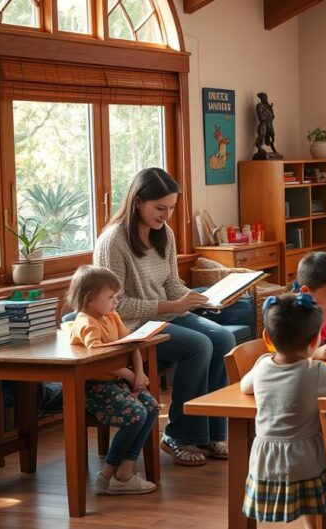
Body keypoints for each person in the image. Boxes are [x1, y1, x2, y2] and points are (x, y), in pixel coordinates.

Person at [94, 167, 234, 466]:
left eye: (171, 208)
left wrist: (199, 299)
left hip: (164, 316)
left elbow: (170, 283)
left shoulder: (164, 234)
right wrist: (171, 306)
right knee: (199, 345)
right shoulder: (112, 242)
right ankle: (179, 436)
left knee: (224, 337)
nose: (166, 215)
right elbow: (114, 306)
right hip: (128, 327)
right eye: (160, 208)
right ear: (137, 201)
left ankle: (212, 433)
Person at [240, 293, 326, 528]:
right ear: (314, 342)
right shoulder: (316, 371)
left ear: (267, 337)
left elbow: (245, 387)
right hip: (305, 460)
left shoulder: (262, 366)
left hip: (266, 461)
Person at [66, 265, 159, 495]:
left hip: (117, 382)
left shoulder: (112, 316)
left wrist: (139, 373)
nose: (115, 302)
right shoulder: (86, 322)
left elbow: (132, 343)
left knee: (152, 407)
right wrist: (128, 375)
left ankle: (124, 473)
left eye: (116, 296)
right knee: (136, 415)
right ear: (89, 299)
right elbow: (99, 357)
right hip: (96, 387)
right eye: (110, 297)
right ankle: (108, 473)